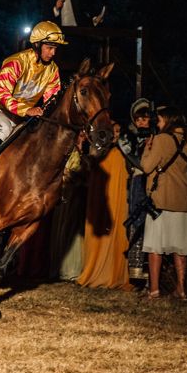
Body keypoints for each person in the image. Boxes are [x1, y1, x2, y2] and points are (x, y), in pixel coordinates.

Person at [0, 20, 66, 190]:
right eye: (49, 48)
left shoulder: (53, 70)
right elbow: (2, 94)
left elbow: (51, 100)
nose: (53, 53)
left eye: (55, 48)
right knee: (4, 128)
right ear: (37, 45)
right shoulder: (16, 62)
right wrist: (28, 110)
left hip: (20, 117)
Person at [140, 107, 187, 300]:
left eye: (159, 119)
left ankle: (154, 290)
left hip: (162, 199)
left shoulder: (161, 139)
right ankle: (181, 289)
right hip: (184, 198)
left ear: (167, 119)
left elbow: (147, 167)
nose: (158, 123)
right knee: (181, 247)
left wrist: (147, 148)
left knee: (155, 246)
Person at [78, 122, 134, 290]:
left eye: (118, 131)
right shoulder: (98, 152)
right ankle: (95, 269)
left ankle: (115, 273)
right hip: (100, 197)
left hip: (118, 196)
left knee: (117, 228)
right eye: (112, 131)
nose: (115, 134)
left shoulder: (125, 151)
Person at [118, 99, 154, 277]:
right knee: (137, 219)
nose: (141, 122)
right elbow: (136, 161)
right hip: (139, 179)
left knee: (154, 222)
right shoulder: (126, 137)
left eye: (144, 118)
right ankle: (137, 267)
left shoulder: (156, 134)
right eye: (138, 119)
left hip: (155, 181)